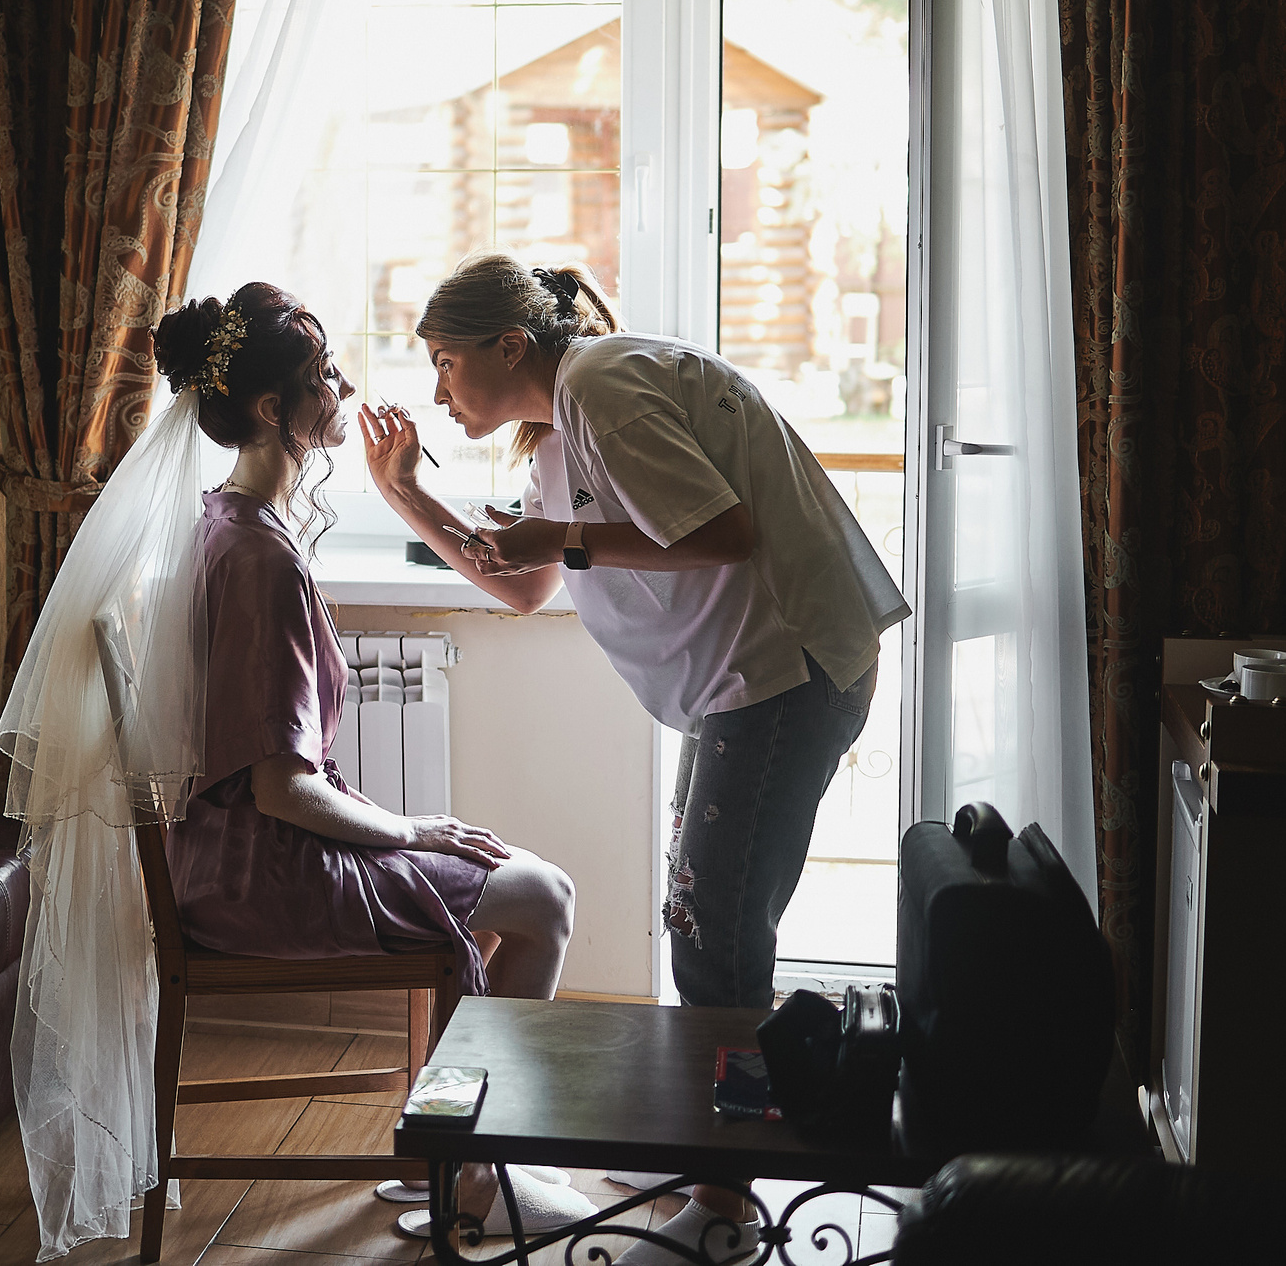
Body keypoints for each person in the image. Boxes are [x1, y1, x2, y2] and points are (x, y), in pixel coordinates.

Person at [356, 254, 910, 1266]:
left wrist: (563, 537)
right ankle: (710, 1160)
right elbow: (523, 584)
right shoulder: (564, 430)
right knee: (701, 929)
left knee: (719, 943)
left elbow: (723, 533)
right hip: (745, 691)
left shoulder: (604, 381)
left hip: (785, 677)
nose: (437, 389)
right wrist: (404, 497)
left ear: (509, 346)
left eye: (445, 361)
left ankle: (725, 1204)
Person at [150, 283, 592, 1237]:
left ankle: (450, 1148)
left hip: (220, 854)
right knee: (544, 896)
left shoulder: (223, 518)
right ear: (274, 410)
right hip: (262, 872)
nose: (346, 386)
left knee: (502, 885)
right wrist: (408, 828)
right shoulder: (261, 557)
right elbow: (281, 785)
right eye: (325, 377)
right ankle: (474, 1174)